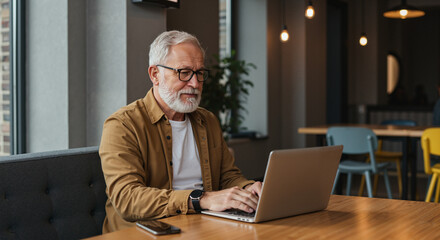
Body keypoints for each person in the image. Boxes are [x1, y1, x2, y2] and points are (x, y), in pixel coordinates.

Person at [99, 30, 262, 233]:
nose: (194, 84)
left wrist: (248, 188)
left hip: (204, 227)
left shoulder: (207, 120)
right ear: (155, 74)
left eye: (200, 73)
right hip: (143, 233)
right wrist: (200, 199)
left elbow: (227, 176)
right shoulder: (123, 125)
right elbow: (128, 199)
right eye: (184, 72)